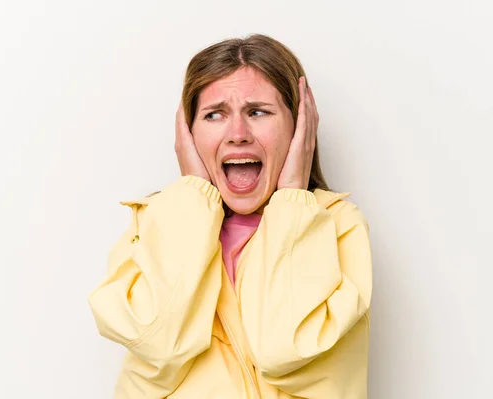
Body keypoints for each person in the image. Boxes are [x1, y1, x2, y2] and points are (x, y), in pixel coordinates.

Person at [88, 34, 373, 398]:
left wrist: (291, 200)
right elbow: (157, 341)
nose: (237, 134)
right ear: (188, 133)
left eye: (258, 112)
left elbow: (283, 348)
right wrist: (193, 193)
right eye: (214, 115)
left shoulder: (339, 228)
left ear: (300, 126)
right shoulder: (152, 225)